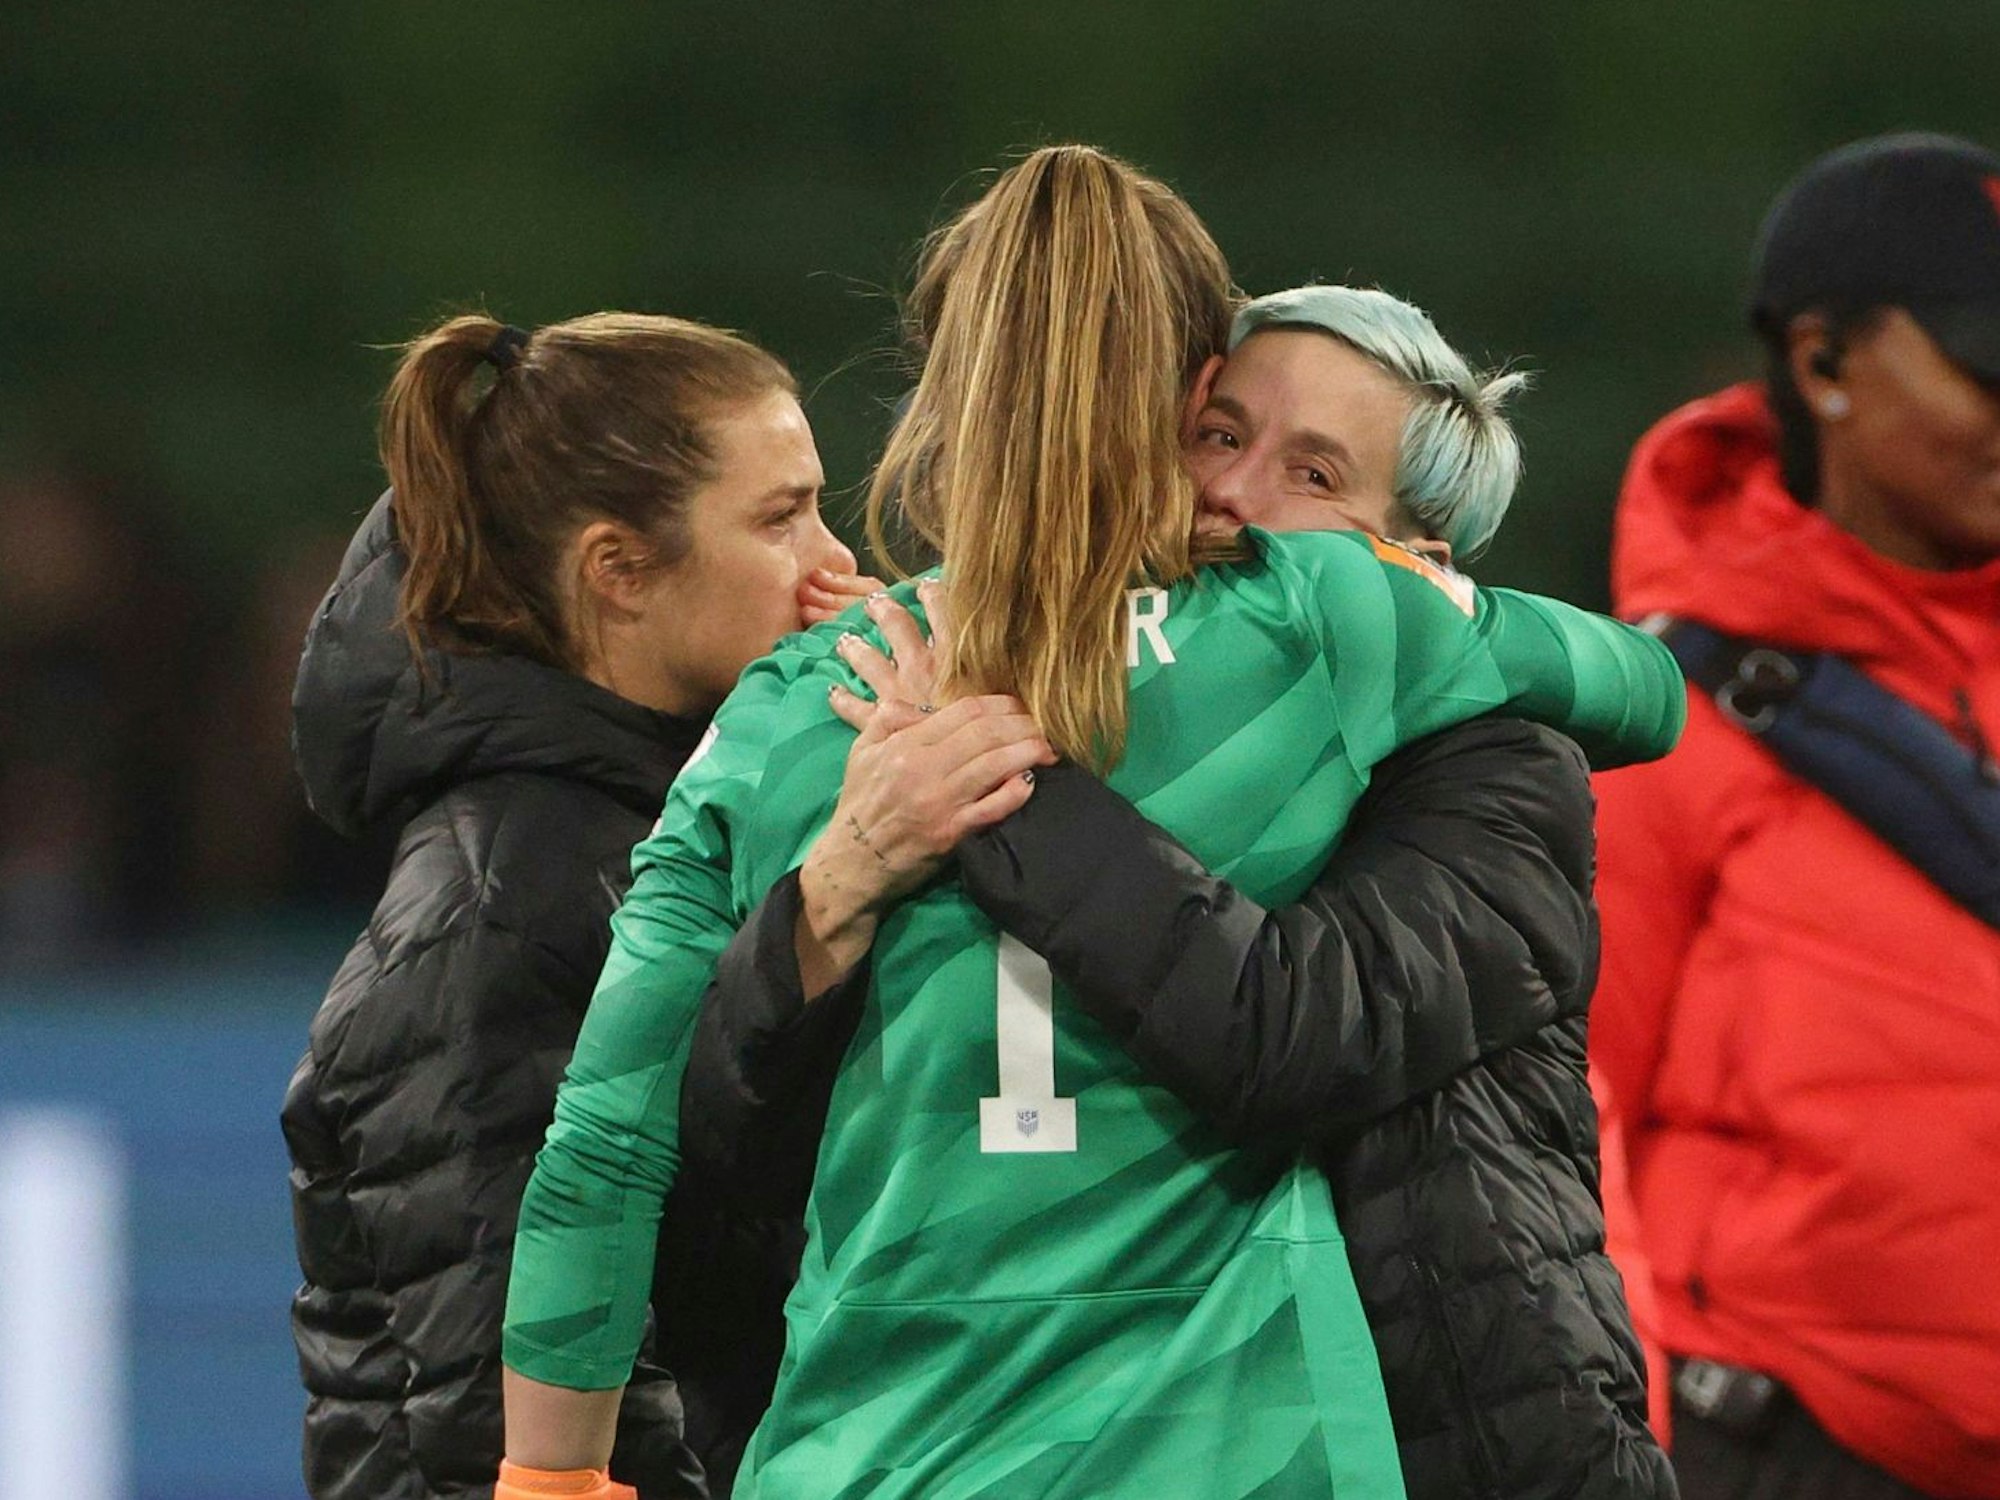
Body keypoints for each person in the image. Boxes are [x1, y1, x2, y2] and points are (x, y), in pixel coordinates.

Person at [501, 146, 1686, 1500]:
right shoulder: (1329, 623)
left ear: (942, 389)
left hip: (881, 1455)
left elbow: (599, 1149)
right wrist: (1418, 596)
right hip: (1244, 1457)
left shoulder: (799, 703)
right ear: (1194, 394)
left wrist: (554, 1475)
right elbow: (1645, 690)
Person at [281, 309, 882, 1500]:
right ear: (617, 572)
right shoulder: (501, 902)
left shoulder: (676, 825)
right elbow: (495, 1415)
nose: (837, 565)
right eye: (777, 519)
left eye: (817, 502)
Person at [1589, 131, 2000, 1500]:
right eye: (1988, 363)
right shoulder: (1661, 710)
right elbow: (1558, 1121)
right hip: (1777, 1450)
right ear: (1822, 365)